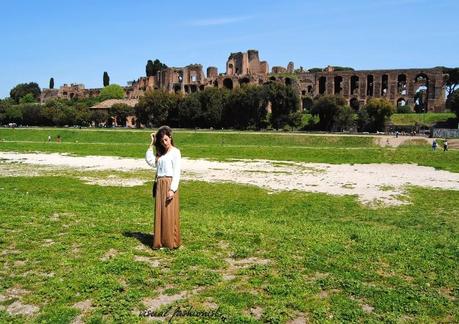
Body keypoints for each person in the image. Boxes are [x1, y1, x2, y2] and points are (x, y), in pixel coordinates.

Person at [145, 126, 181, 249]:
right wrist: (152, 143)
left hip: (169, 184)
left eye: (166, 139)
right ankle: (160, 241)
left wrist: (172, 189)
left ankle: (171, 242)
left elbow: (177, 172)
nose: (164, 143)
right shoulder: (161, 154)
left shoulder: (175, 152)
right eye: (162, 141)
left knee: (169, 213)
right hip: (160, 185)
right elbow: (150, 161)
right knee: (160, 213)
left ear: (170, 137)